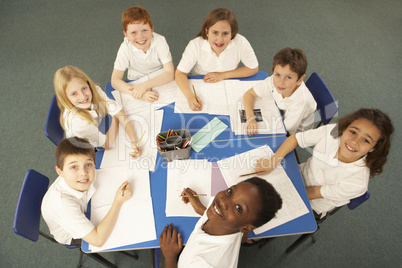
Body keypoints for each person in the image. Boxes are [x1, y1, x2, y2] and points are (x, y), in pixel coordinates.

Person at [255, 108, 394, 219]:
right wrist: (273, 161)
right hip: (297, 174)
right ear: (345, 128)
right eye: (353, 132)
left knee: (256, 219)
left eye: (366, 140)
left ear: (373, 148)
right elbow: (296, 139)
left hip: (310, 202)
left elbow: (314, 192)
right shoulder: (333, 132)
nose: (354, 141)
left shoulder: (357, 182)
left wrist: (279, 193)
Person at [160, 177, 282, 267]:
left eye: (238, 208)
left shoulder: (203, 263)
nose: (223, 201)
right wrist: (200, 208)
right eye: (230, 192)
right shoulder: (236, 227)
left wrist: (170, 257)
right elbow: (242, 238)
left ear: (245, 228)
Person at [41, 137, 132, 247]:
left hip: (84, 205)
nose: (83, 173)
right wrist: (118, 202)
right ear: (60, 171)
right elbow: (98, 240)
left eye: (88, 164)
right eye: (74, 167)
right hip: (73, 235)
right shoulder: (62, 206)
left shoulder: (76, 179)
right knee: (121, 229)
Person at [176, 8, 259, 111]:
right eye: (215, 32)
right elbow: (180, 73)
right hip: (201, 84)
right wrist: (189, 96)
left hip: (228, 84)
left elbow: (253, 68)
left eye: (225, 33)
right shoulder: (195, 45)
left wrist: (223, 75)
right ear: (207, 32)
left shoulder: (241, 42)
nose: (220, 40)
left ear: (232, 34)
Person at [54, 65, 141, 157]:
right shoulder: (79, 123)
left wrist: (133, 141)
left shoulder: (94, 90)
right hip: (86, 152)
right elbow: (108, 144)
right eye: (74, 93)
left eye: (84, 88)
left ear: (88, 83)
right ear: (65, 97)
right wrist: (115, 117)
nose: (83, 96)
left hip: (99, 127)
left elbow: (120, 114)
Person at [243, 47, 316, 135]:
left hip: (294, 132)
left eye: (288, 77)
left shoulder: (302, 101)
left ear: (300, 79)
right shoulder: (275, 80)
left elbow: (285, 130)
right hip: (279, 113)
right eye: (277, 74)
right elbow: (249, 94)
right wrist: (251, 118)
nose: (280, 82)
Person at [111, 6, 174, 103]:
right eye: (133, 32)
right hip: (136, 81)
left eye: (144, 30)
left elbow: (170, 73)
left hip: (159, 79)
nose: (140, 37)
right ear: (126, 35)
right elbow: (115, 80)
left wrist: (144, 86)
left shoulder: (160, 41)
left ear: (152, 29)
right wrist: (139, 93)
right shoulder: (125, 48)